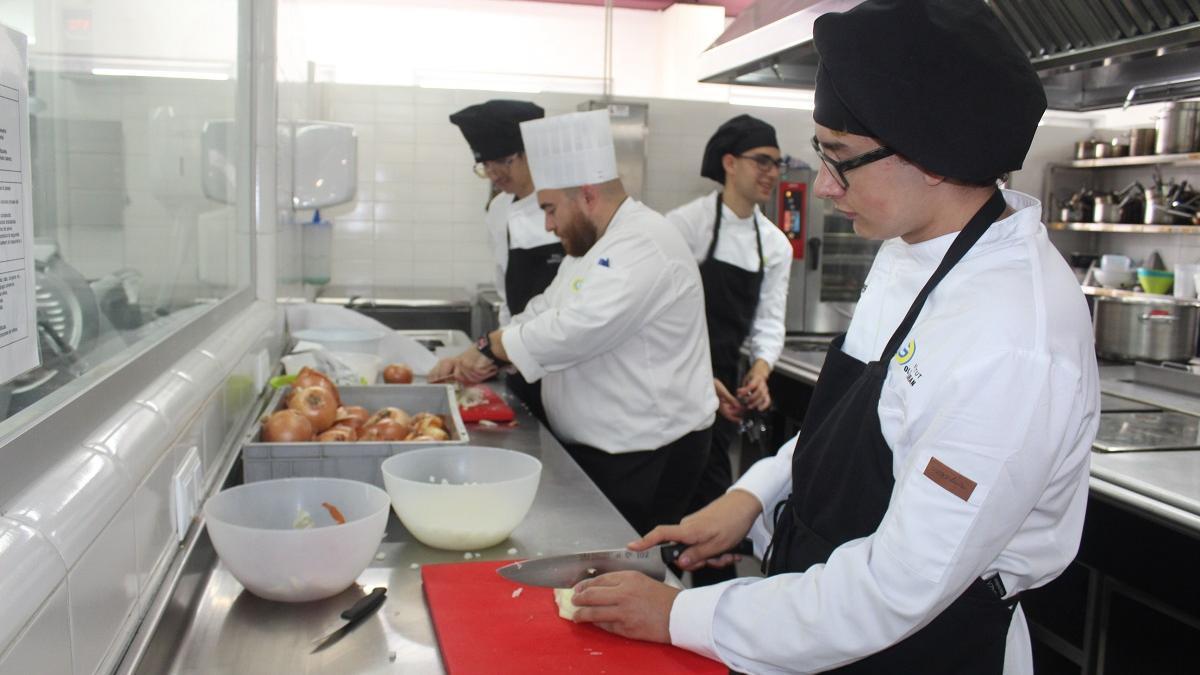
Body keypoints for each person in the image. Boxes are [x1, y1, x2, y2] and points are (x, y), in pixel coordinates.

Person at [564, 2, 1101, 673]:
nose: (822, 185)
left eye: (841, 158)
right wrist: (752, 498)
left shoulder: (1013, 336)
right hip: (821, 617)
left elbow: (895, 586)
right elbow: (850, 431)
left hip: (918, 648)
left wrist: (679, 614)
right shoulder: (915, 247)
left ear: (933, 155)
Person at [431, 110, 718, 536]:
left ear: (586, 195)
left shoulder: (644, 242)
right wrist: (484, 351)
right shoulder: (594, 245)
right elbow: (547, 308)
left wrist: (492, 347)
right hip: (609, 449)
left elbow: (576, 329)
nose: (547, 224)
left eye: (549, 209)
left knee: (623, 576)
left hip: (647, 453)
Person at [665, 115, 792, 586]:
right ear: (729, 163)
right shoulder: (685, 226)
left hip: (723, 387)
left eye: (778, 164)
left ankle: (699, 602)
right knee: (671, 487)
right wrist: (695, 373)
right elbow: (659, 314)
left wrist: (760, 370)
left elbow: (768, 322)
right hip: (672, 376)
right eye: (763, 161)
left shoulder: (773, 244)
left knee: (711, 490)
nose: (772, 173)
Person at [449, 100, 563, 423]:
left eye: (503, 160)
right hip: (519, 361)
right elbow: (506, 295)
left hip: (566, 363)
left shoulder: (565, 202)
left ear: (533, 151)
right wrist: (497, 354)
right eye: (485, 164)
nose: (494, 173)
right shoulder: (499, 210)